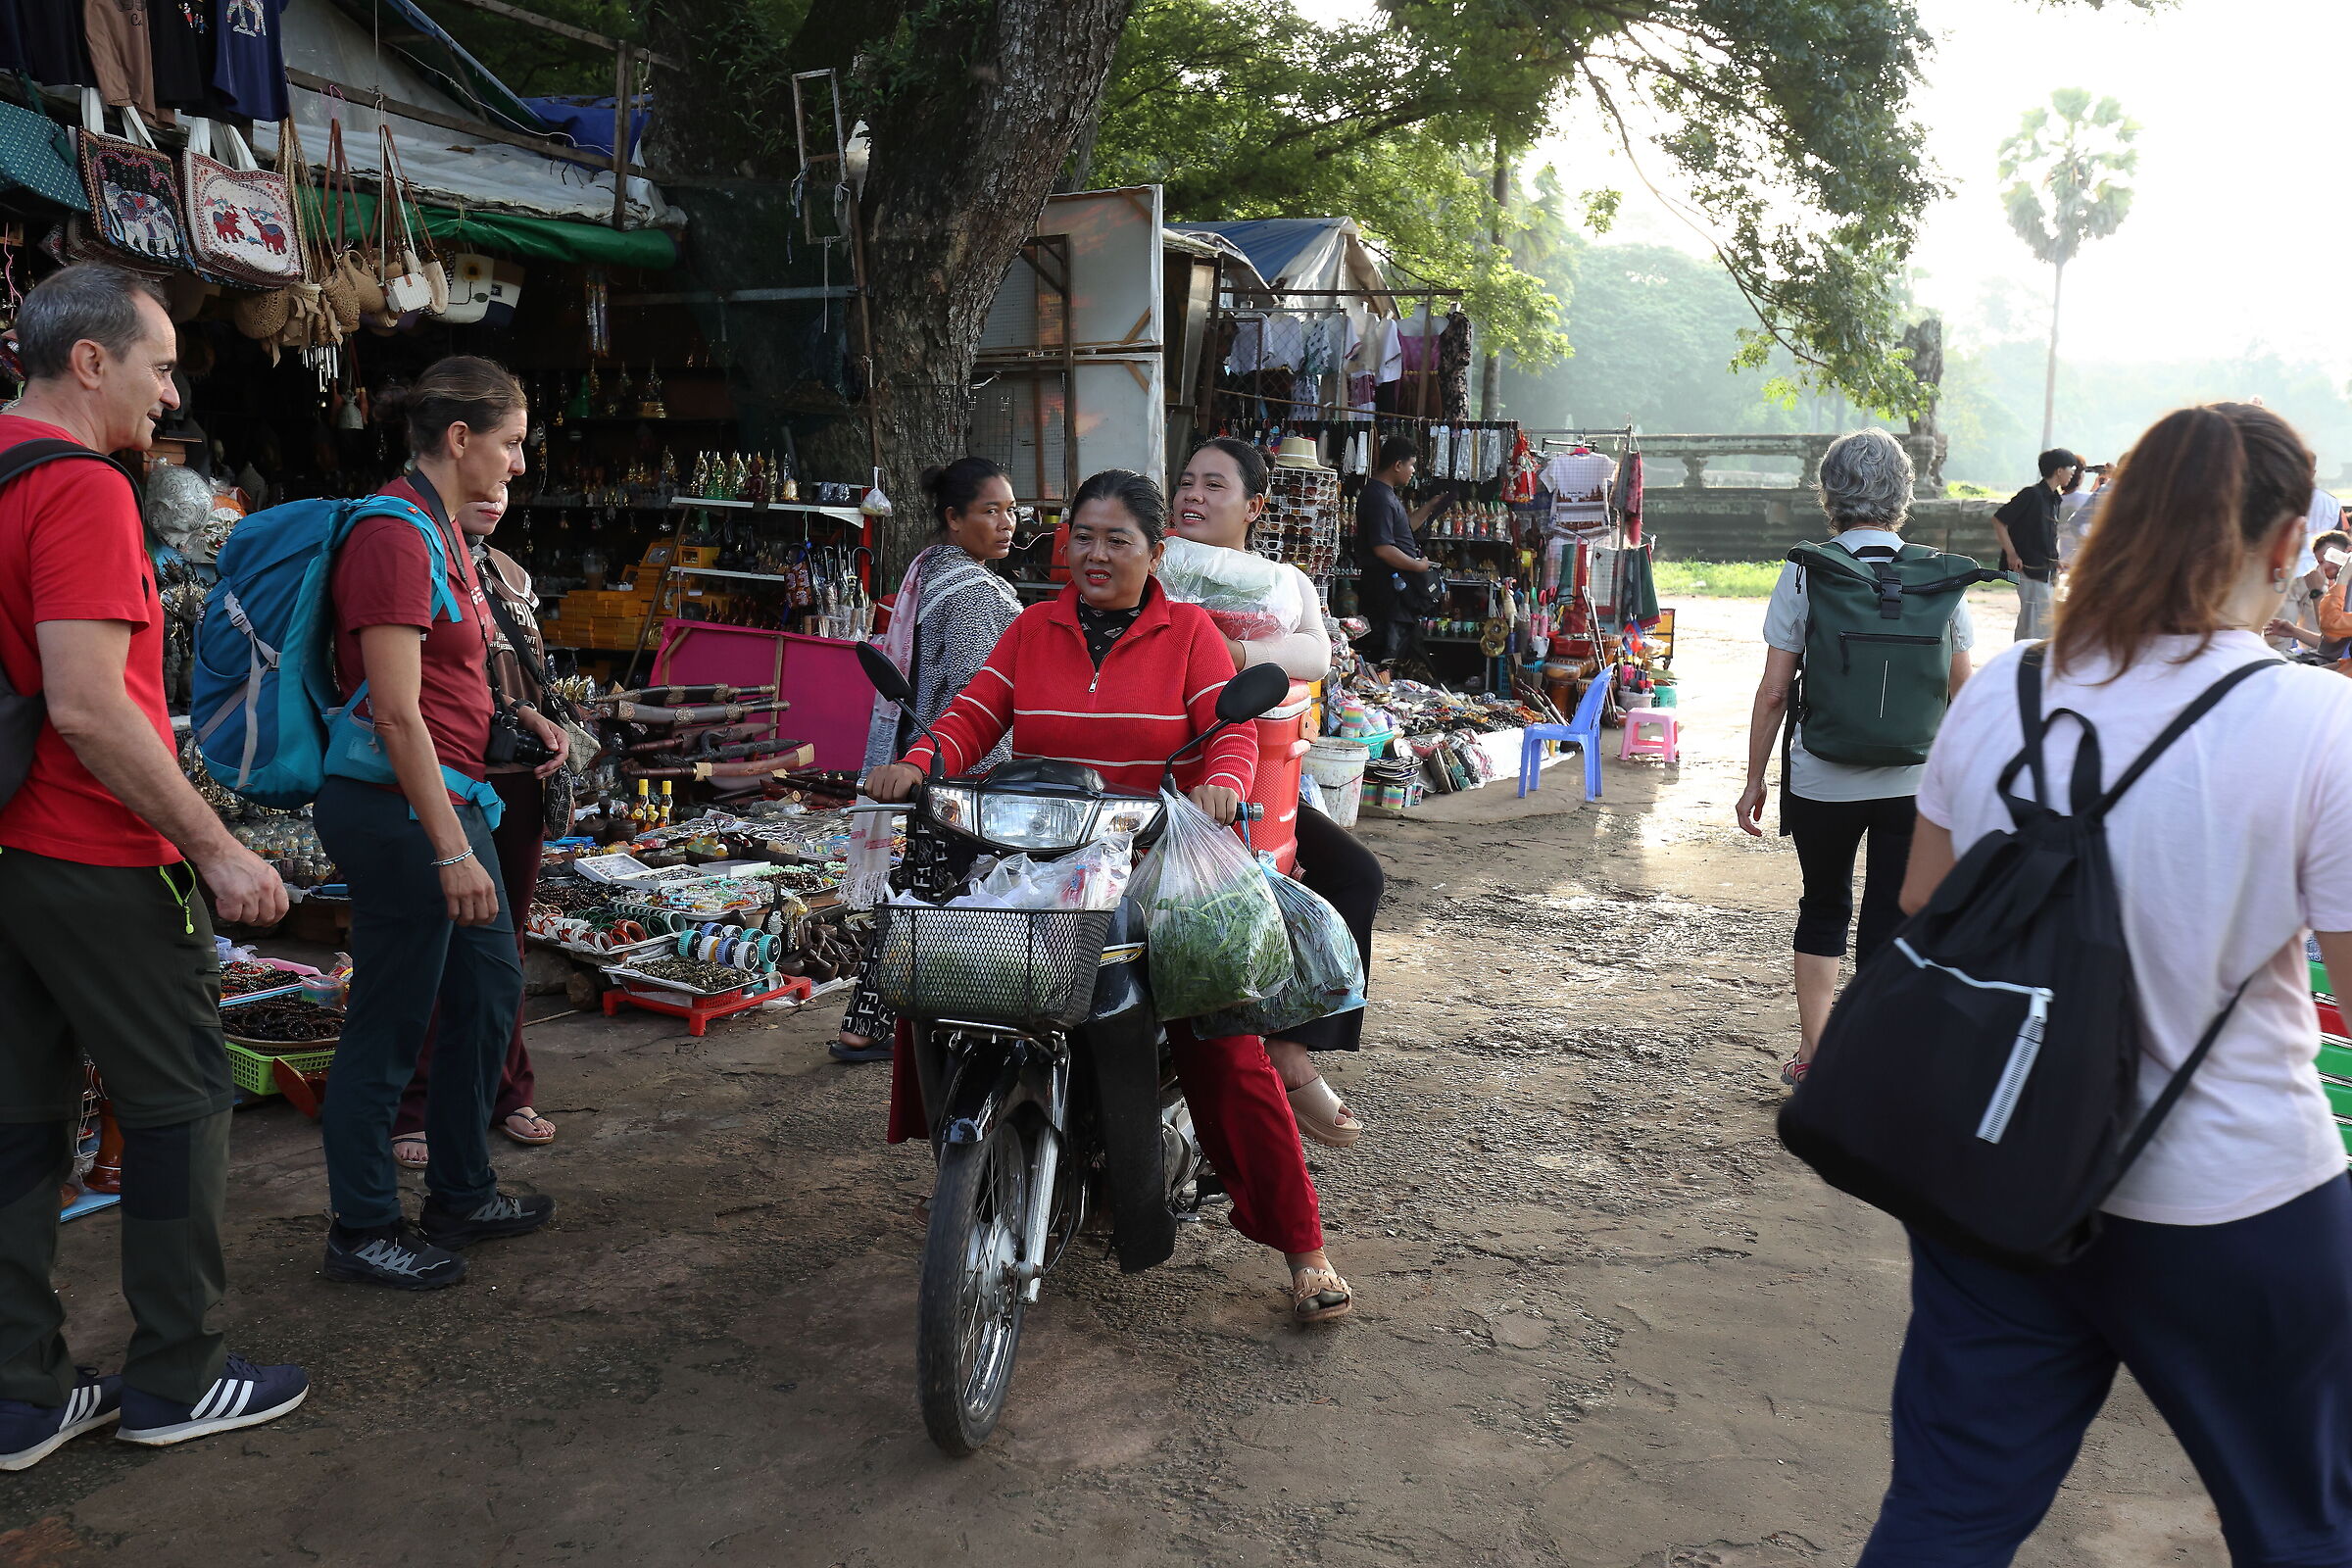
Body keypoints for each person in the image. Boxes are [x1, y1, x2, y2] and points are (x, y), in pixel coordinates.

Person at [1856, 401, 2352, 1559]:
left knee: (1946, 1515)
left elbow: (1926, 897)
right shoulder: (2316, 723)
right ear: (2286, 548)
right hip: (2236, 1199)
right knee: (2304, 1524)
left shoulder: (2008, 689)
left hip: (2000, 1178)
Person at [864, 468, 1353, 1324]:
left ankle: (1302, 1248)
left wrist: (1224, 784)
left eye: (1117, 539)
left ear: (1155, 551)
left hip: (1153, 862)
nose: (1094, 554)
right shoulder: (1031, 630)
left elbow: (1228, 730)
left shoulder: (1191, 632)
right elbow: (973, 717)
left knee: (1223, 1044)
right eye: (1081, 537)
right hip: (1038, 855)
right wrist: (921, 763)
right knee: (944, 962)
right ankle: (960, 1165)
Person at [0, 262, 305, 1462]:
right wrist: (217, 846)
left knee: (20, 1117)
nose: (170, 392)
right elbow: (88, 706)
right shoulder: (81, 488)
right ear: (89, 362)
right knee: (179, 1102)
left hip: (8, 852)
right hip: (94, 850)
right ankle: (179, 1373)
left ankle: (21, 1392)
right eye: (161, 364)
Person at [315, 357, 564, 1291]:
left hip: (456, 799)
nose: (519, 464)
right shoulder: (392, 534)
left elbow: (450, 683)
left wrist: (512, 720)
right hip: (399, 813)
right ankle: (363, 1226)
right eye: (510, 443)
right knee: (392, 1018)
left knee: (490, 991)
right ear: (460, 440)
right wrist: (451, 848)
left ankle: (461, 1189)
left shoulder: (442, 531)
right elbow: (394, 713)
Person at [1736, 428, 1973, 1086]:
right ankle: (1875, 1058)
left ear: (1829, 492)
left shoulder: (1808, 567)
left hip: (1822, 777)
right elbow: (1966, 694)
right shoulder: (1936, 571)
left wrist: (1755, 778)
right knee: (1891, 916)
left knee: (1824, 905)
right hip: (1913, 781)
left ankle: (1815, 1057)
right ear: (1905, 492)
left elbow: (1776, 689)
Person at [1172, 437, 1384, 1149]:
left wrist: (1238, 654)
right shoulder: (1153, 564)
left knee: (1356, 875)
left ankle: (1294, 1043)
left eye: (1214, 486)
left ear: (1255, 506)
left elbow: (1316, 654)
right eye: (1186, 483)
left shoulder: (1284, 581)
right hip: (1162, 776)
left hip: (1258, 779)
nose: (1193, 496)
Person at [388, 484, 561, 1169]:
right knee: (435, 941)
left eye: (511, 482)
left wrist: (543, 721)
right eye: (485, 481)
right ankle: (417, 1103)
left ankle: (506, 1088)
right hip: (445, 773)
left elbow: (526, 678)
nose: (498, 493)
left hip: (519, 776)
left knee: (504, 945)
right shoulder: (421, 558)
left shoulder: (512, 576)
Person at [834, 457, 1022, 1063]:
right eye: (990, 511)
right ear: (953, 518)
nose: (1007, 522)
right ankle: (928, 1023)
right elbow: (982, 697)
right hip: (963, 770)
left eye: (1011, 509)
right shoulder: (977, 594)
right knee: (948, 898)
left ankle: (867, 1023)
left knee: (919, 893)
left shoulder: (930, 573)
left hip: (926, 757)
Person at [1353, 436, 1444, 670]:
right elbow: (1383, 548)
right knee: (1385, 659)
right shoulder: (1379, 498)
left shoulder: (1386, 495)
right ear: (1397, 465)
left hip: (1396, 598)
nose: (1413, 471)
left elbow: (1404, 531)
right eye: (1411, 464)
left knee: (1405, 656)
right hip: (1386, 596)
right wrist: (1418, 566)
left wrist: (1430, 507)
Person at [1991, 447, 2077, 640]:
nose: (2072, 473)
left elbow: (2044, 536)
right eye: (2070, 468)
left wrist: (2055, 561)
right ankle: (2028, 661)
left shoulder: (2054, 499)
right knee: (2036, 623)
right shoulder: (2032, 494)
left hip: (2045, 570)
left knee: (2034, 621)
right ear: (2059, 471)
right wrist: (2012, 553)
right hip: (2028, 568)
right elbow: (1999, 520)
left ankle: (2020, 659)